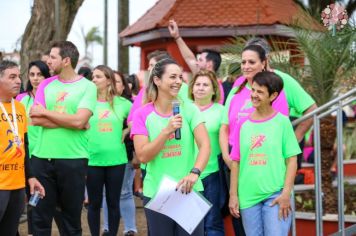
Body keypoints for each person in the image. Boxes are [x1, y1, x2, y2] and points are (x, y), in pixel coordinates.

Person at [131, 58, 210, 236]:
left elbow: (205, 145)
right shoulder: (142, 114)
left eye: (180, 77)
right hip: (158, 193)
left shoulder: (190, 110)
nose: (178, 81)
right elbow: (143, 156)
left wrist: (194, 173)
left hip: (188, 189)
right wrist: (166, 131)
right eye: (172, 77)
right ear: (157, 80)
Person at [220, 45, 289, 235]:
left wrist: (285, 191)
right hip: (236, 164)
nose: (246, 66)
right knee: (241, 225)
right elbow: (224, 125)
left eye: (252, 62)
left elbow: (279, 135)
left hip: (266, 168)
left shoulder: (275, 89)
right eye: (243, 62)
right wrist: (227, 157)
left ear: (263, 63)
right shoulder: (236, 88)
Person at [29, 41, 97, 236]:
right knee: (40, 220)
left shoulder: (87, 87)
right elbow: (36, 119)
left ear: (66, 60)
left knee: (71, 222)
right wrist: (74, 121)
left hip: (73, 160)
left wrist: (48, 113)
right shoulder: (45, 84)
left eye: (52, 57)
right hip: (41, 160)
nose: (48, 61)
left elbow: (79, 121)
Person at [228, 37, 317, 171]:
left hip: (271, 156)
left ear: (265, 59)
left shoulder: (283, 80)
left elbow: (311, 109)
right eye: (245, 60)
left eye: (253, 60)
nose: (247, 65)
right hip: (242, 154)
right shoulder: (240, 82)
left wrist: (293, 140)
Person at [229, 71, 300, 236]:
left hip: (275, 194)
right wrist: (234, 195)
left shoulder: (282, 122)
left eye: (260, 92)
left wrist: (285, 194)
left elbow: (292, 161)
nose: (254, 95)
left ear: (273, 95)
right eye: (253, 90)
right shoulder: (243, 122)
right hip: (248, 197)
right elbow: (236, 162)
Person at [0, 60, 45, 236]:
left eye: (18, 76)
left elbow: (23, 144)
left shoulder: (19, 107)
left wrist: (31, 176)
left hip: (17, 185)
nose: (18, 81)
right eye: (12, 77)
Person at [86, 65, 132, 236]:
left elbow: (137, 121)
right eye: (93, 76)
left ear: (108, 80)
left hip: (116, 161)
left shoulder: (123, 103)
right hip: (92, 160)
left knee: (113, 202)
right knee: (94, 204)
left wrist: (127, 130)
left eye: (98, 76)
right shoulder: (86, 102)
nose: (94, 80)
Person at [16, 60, 51, 236]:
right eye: (32, 75)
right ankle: (31, 232)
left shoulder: (51, 96)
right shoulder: (21, 99)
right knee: (29, 198)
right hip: (24, 155)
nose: (36, 78)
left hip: (46, 155)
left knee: (41, 197)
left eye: (40, 74)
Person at [188, 70, 225, 235]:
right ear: (192, 88)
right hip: (187, 174)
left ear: (214, 90)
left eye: (205, 85)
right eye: (197, 84)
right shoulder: (182, 109)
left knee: (212, 223)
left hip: (212, 173)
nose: (201, 88)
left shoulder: (222, 111)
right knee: (189, 224)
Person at [101, 70, 137, 236]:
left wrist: (128, 130)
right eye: (111, 81)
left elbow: (139, 125)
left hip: (125, 156)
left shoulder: (129, 105)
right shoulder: (97, 102)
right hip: (102, 159)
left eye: (117, 82)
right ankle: (108, 227)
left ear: (124, 86)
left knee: (124, 192)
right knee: (106, 193)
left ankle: (130, 228)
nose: (113, 85)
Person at [168, 19, 225, 104]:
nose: (197, 62)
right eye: (198, 85)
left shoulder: (217, 87)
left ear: (209, 64)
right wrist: (177, 36)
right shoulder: (199, 74)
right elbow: (189, 58)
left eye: (201, 60)